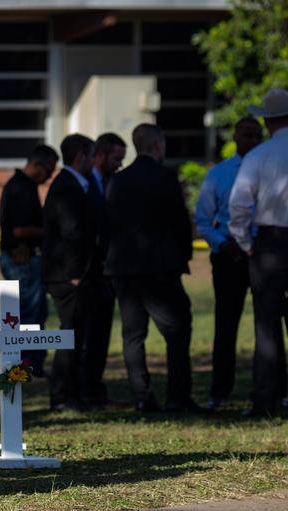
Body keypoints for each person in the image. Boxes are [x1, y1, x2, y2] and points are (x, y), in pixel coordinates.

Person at [105, 123, 198, 413]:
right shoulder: (165, 177)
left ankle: (142, 395)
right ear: (158, 145)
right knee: (177, 331)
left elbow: (108, 224)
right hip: (160, 268)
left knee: (133, 335)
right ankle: (178, 397)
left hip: (124, 269)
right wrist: (184, 255)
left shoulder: (118, 181)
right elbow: (180, 222)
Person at [195, 117, 263, 411]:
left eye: (257, 135)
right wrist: (225, 244)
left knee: (268, 327)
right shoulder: (220, 174)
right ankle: (220, 392)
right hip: (229, 255)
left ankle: (270, 390)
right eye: (247, 135)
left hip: (264, 255)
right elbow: (202, 220)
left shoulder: (270, 170)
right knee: (226, 325)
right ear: (235, 137)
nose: (252, 140)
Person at [229, 88, 288, 418]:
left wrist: (246, 243)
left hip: (271, 243)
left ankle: (266, 398)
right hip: (273, 240)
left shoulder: (258, 155)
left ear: (267, 122)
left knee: (267, 323)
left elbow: (238, 205)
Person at [42, 134, 100, 411]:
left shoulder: (75, 185)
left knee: (75, 335)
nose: (93, 161)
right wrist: (75, 274)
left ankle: (71, 392)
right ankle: (63, 395)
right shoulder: (67, 187)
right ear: (80, 156)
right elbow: (71, 232)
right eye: (91, 155)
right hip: (68, 276)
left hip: (71, 274)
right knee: (69, 336)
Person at [0, 145, 59, 376]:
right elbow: (20, 231)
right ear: (36, 164)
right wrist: (50, 231)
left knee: (35, 313)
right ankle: (25, 365)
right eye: (48, 170)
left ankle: (31, 364)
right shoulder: (21, 188)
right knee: (29, 316)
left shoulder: (24, 186)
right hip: (21, 260)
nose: (50, 176)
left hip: (23, 260)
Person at [81, 133, 128, 406]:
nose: (119, 165)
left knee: (100, 335)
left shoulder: (116, 184)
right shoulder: (84, 184)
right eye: (116, 158)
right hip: (88, 273)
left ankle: (94, 388)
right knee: (85, 335)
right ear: (99, 155)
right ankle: (83, 388)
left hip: (107, 272)